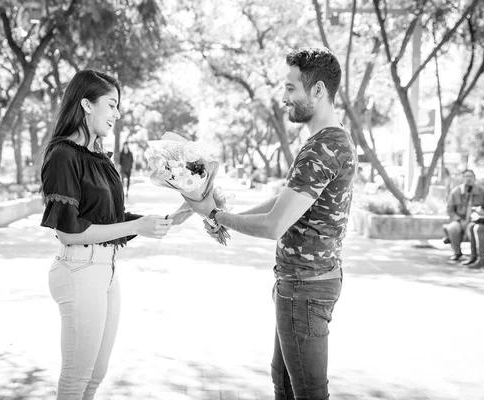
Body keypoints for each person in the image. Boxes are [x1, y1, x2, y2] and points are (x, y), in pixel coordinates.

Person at [186, 47, 356, 400]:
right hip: (304, 285)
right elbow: (286, 203)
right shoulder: (329, 139)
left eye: (291, 88)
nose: (283, 98)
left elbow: (275, 225)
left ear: (319, 91)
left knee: (306, 393)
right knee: (285, 388)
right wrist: (230, 218)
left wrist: (215, 215)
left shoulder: (322, 148)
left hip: (304, 289)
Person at [39, 69, 191, 400]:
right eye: (111, 104)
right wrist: (137, 226)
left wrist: (177, 214)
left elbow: (110, 219)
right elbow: (68, 232)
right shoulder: (63, 155)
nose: (117, 114)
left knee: (95, 376)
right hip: (78, 270)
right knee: (77, 378)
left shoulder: (100, 158)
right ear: (86, 104)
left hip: (106, 271)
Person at [442, 169, 484, 261]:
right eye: (466, 176)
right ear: (462, 178)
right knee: (452, 228)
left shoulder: (483, 191)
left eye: (471, 176)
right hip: (459, 220)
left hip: (474, 220)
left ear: (474, 178)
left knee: (472, 229)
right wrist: (459, 220)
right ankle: (457, 252)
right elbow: (450, 209)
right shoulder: (456, 191)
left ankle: (475, 256)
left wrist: (480, 213)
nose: (468, 179)